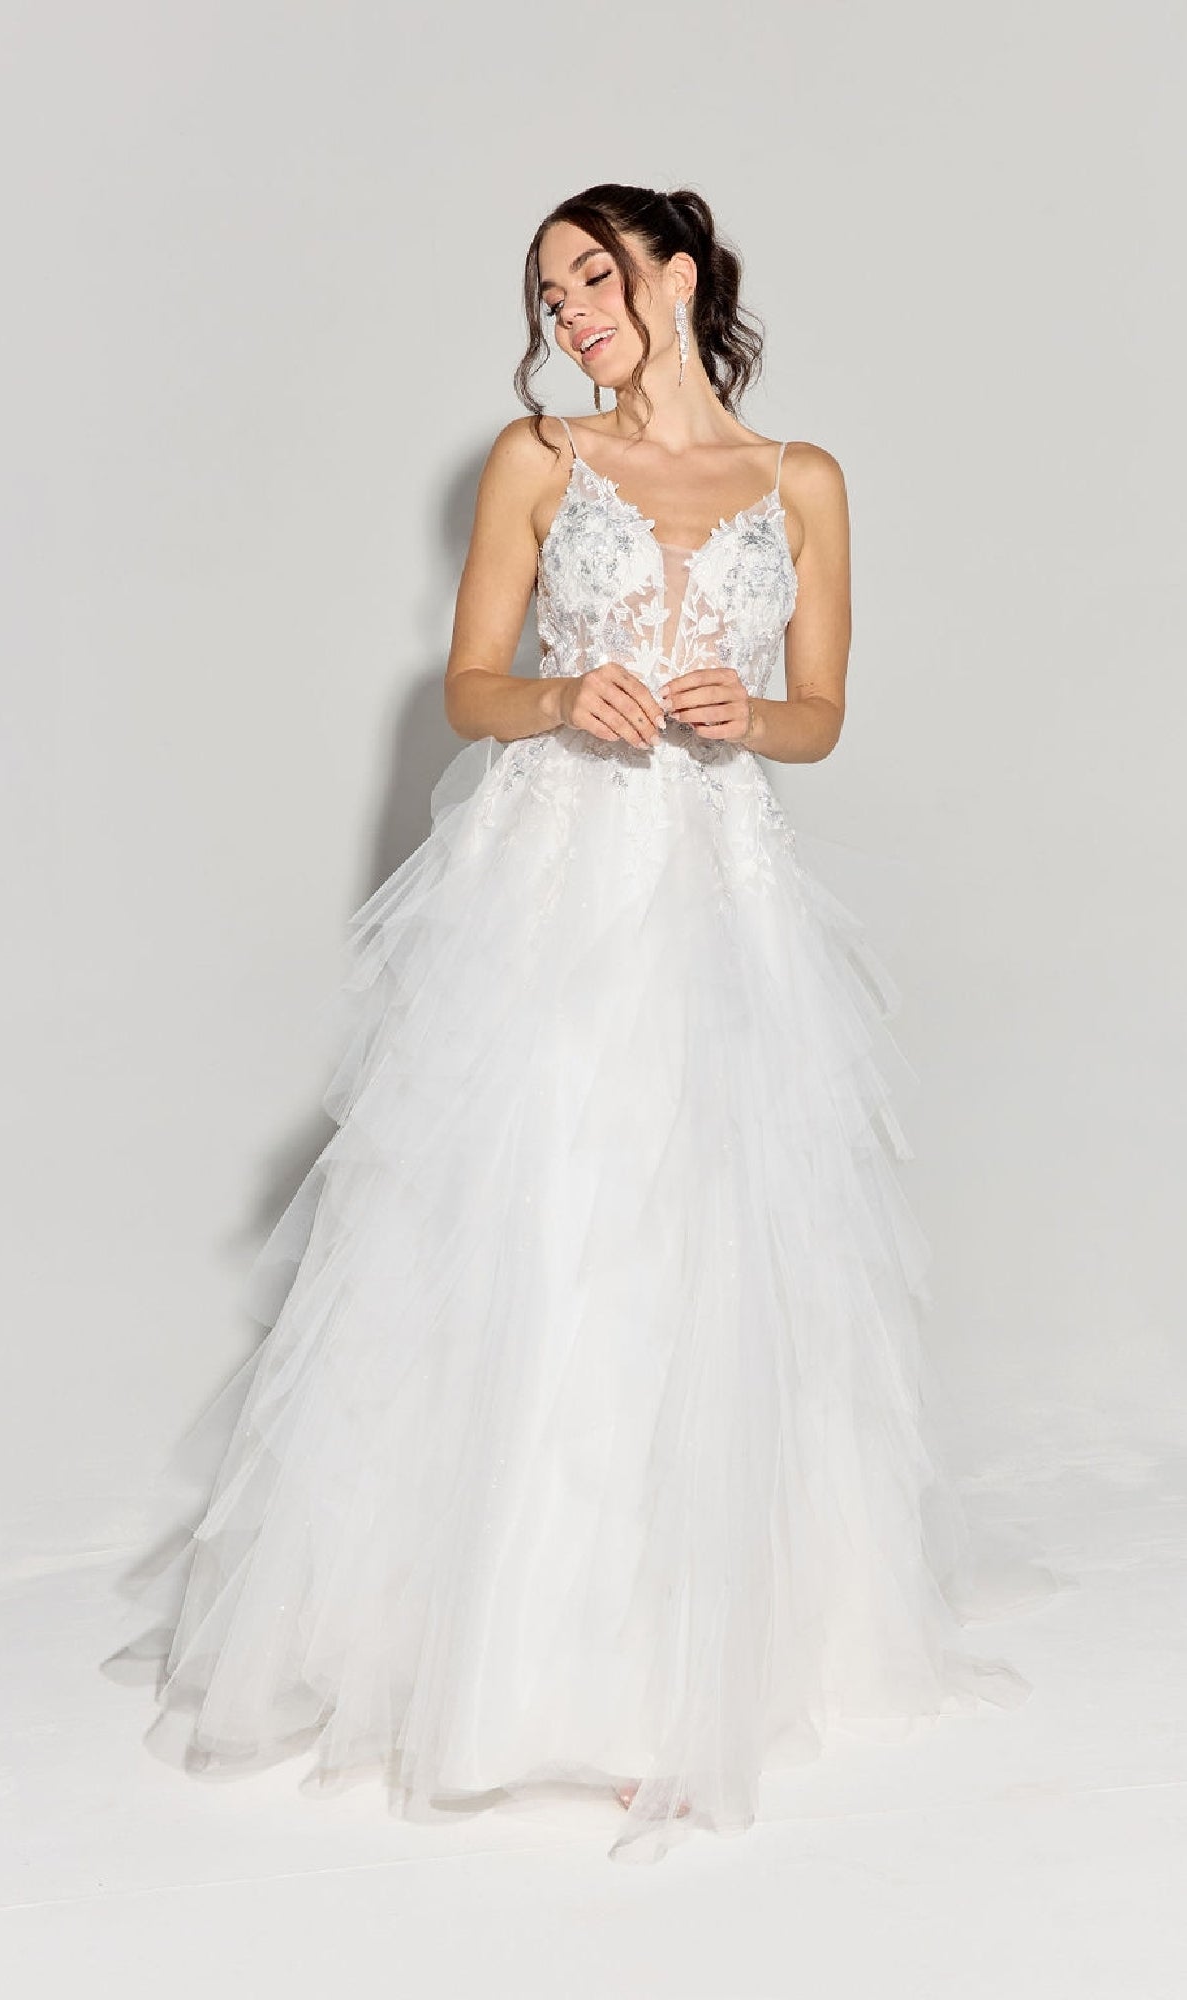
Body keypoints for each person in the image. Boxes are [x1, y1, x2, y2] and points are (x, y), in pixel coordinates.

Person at [115, 183, 1059, 1867]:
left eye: (592, 276)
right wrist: (564, 695)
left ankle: (695, 1665)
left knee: (705, 1242)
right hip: (549, 889)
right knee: (540, 1225)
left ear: (676, 276)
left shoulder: (804, 481)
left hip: (723, 891)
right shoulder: (537, 462)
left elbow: (825, 712)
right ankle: (501, 1661)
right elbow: (471, 681)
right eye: (546, 291)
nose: (567, 312)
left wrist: (744, 710)